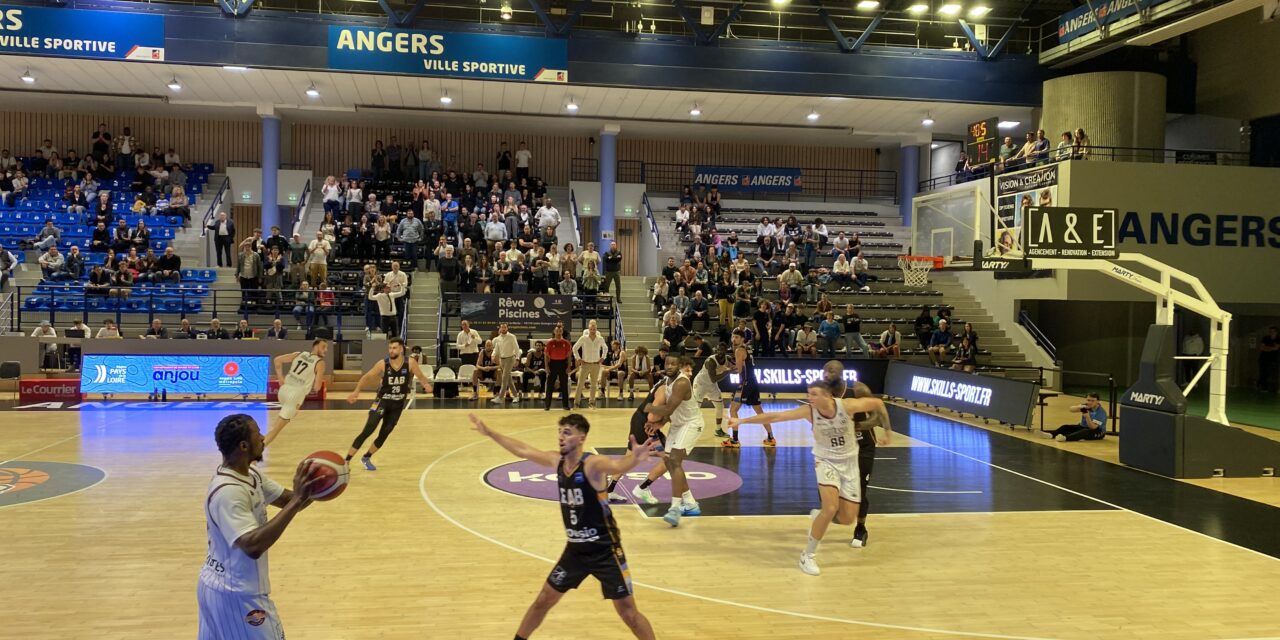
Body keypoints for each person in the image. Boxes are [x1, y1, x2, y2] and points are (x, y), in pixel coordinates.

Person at [469, 413, 658, 640]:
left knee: (629, 614)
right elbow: (523, 450)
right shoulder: (557, 462)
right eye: (560, 431)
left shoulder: (591, 465)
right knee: (543, 600)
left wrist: (635, 459)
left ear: (581, 438)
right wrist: (490, 432)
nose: (561, 437)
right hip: (575, 551)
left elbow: (616, 464)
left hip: (605, 551)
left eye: (567, 432)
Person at [729, 381, 891, 576]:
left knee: (847, 519)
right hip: (826, 461)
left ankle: (820, 517)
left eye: (814, 394)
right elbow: (777, 416)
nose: (809, 397)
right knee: (830, 508)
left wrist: (888, 431)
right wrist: (741, 422)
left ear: (828, 395)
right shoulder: (809, 411)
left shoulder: (847, 406)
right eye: (809, 393)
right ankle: (808, 555)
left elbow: (878, 404)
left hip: (849, 463)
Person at [197, 414, 320, 640]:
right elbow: (252, 546)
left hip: (222, 587)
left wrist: (319, 485)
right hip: (236, 594)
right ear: (244, 446)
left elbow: (287, 500)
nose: (263, 438)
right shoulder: (229, 491)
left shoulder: (250, 475)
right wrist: (298, 500)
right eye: (257, 435)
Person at [818, 362, 886, 549]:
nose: (826, 374)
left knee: (861, 489)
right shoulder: (823, 394)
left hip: (863, 446)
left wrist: (856, 426)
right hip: (840, 448)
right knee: (828, 486)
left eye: (830, 370)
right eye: (824, 370)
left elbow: (877, 416)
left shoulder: (858, 389)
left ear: (841, 374)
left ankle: (861, 528)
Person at [345, 337, 434, 470]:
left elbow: (421, 377)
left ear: (402, 349)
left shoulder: (410, 363)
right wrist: (356, 391)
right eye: (390, 348)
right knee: (368, 429)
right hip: (382, 401)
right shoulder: (383, 363)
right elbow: (367, 377)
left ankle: (366, 457)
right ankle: (346, 461)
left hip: (397, 405)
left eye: (394, 348)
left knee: (384, 433)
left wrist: (426, 385)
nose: (391, 351)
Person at [642, 356, 705, 524]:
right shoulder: (668, 382)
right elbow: (671, 411)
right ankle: (691, 504)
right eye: (667, 363)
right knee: (670, 463)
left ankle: (675, 508)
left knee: (675, 462)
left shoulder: (681, 383)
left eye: (673, 364)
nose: (669, 366)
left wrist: (647, 407)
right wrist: (660, 424)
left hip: (691, 424)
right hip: (677, 424)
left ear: (680, 367)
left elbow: (668, 408)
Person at [264, 339, 329, 446]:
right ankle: (254, 457)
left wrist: (280, 378)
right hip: (295, 394)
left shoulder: (299, 354)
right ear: (316, 346)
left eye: (326, 348)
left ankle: (257, 446)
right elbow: (317, 387)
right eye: (323, 347)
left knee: (276, 426)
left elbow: (277, 360)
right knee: (276, 430)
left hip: (283, 391)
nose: (325, 350)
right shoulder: (320, 363)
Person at [724, 330, 775, 447]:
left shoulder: (739, 350)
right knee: (759, 412)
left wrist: (728, 367)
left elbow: (739, 370)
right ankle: (771, 437)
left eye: (736, 337)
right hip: (753, 382)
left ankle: (735, 440)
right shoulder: (747, 349)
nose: (734, 340)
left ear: (742, 339)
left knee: (733, 410)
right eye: (733, 337)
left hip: (745, 383)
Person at [1042, 393, 1108, 442]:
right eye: (1088, 400)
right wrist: (1079, 407)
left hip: (1097, 431)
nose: (1090, 402)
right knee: (1065, 427)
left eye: (1092, 401)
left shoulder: (1101, 413)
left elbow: (1093, 427)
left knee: (1084, 432)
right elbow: (1071, 409)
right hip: (1083, 426)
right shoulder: (1086, 406)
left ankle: (1065, 438)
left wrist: (1087, 417)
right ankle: (1051, 435)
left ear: (1098, 401)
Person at [573, 320, 608, 409]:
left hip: (596, 364)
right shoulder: (583, 338)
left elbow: (605, 348)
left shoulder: (600, 338)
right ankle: (576, 402)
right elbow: (575, 348)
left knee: (594, 385)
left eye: (594, 329)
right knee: (580, 384)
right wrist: (578, 358)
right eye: (591, 329)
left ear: (596, 329)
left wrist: (603, 357)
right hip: (585, 364)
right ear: (589, 329)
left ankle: (592, 402)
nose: (593, 330)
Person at [491, 322, 524, 403]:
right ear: (500, 328)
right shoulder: (498, 338)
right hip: (502, 360)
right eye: (502, 327)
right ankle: (516, 396)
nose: (503, 329)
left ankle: (500, 397)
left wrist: (517, 359)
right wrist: (493, 355)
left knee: (504, 378)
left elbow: (517, 348)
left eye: (505, 327)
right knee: (508, 379)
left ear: (507, 328)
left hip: (510, 359)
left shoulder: (512, 337)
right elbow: (496, 349)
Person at [544, 323, 573, 411]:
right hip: (553, 364)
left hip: (563, 364)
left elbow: (569, 356)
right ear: (554, 332)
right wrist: (546, 366)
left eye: (560, 331)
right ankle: (547, 405)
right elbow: (546, 355)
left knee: (564, 385)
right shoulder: (550, 342)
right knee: (550, 385)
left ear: (562, 332)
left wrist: (568, 366)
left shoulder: (566, 343)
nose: (559, 332)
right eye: (557, 331)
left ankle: (565, 405)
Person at [1258, 326, 1279, 393]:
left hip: (1274, 360)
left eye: (1273, 331)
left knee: (1274, 374)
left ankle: (1275, 389)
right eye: (1270, 331)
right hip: (1264, 359)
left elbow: (1276, 348)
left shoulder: (1278, 339)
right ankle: (1264, 388)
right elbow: (1261, 348)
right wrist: (1271, 348)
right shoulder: (1265, 338)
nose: (1271, 333)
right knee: (1263, 374)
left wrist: (1267, 348)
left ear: (1276, 332)